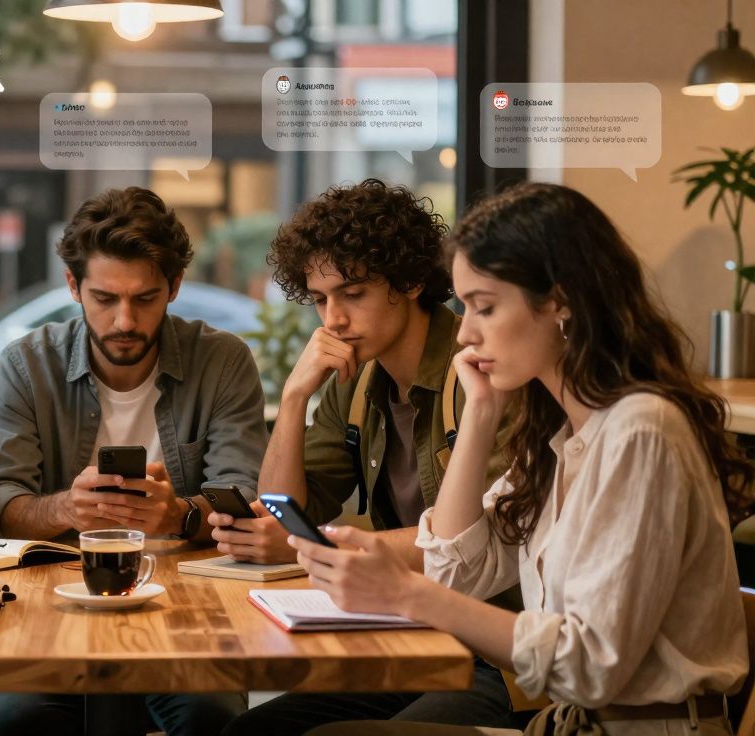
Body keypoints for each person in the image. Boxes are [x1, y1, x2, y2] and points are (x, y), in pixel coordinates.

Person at [296, 182, 752, 735]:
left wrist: (402, 590)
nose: (464, 331)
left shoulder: (640, 431)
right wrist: (482, 414)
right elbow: (456, 573)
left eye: (484, 307)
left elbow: (590, 669)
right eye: (464, 307)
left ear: (559, 301)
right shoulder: (561, 433)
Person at [220, 179, 522, 734]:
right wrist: (292, 399)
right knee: (248, 731)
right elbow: (282, 504)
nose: (331, 319)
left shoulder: (482, 376)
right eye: (319, 299)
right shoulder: (356, 382)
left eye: (352, 293)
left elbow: (493, 537)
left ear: (408, 281)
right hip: (405, 637)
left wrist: (330, 547)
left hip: (493, 655)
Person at [0, 186, 267, 736]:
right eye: (105, 298)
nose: (125, 320)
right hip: (49, 608)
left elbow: (242, 496)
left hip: (185, 614)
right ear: (73, 287)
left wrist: (178, 516)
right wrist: (67, 509)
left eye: (145, 298)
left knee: (215, 719)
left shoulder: (222, 361)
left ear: (175, 287)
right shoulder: (26, 365)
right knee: (18, 721)